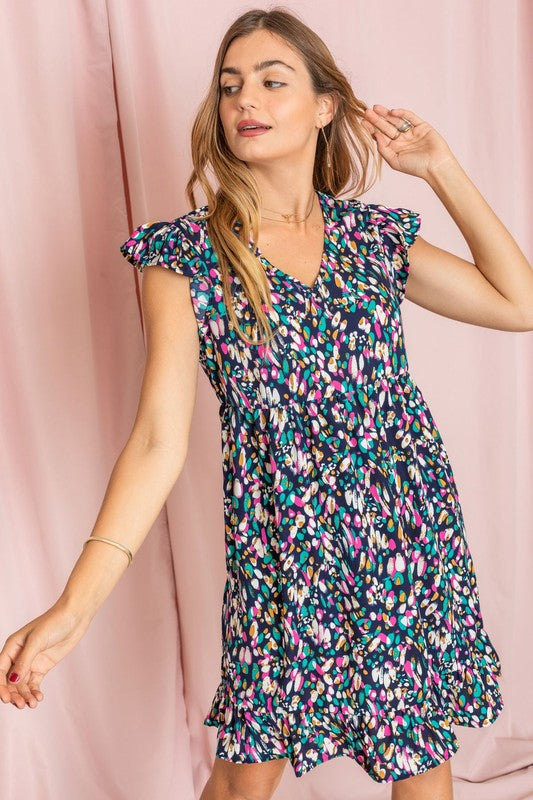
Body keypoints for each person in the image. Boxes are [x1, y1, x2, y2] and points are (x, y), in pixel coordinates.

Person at [2, 7, 532, 800]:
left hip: (406, 535)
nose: (244, 99)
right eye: (229, 85)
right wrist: (73, 608)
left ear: (325, 105)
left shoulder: (371, 238)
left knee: (424, 772)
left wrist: (440, 165)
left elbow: (516, 303)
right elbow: (156, 440)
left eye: (271, 81)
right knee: (245, 777)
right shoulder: (186, 255)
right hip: (284, 553)